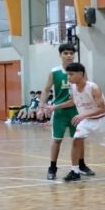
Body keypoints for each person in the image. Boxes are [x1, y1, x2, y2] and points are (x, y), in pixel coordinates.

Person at [50, 63, 105, 182]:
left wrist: (82, 115)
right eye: (68, 74)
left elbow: (101, 108)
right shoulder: (73, 87)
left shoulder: (93, 88)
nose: (68, 77)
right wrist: (55, 107)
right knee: (76, 140)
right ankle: (75, 171)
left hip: (104, 120)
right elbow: (72, 102)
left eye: (71, 74)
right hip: (87, 120)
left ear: (80, 74)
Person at [38, 43, 94, 180]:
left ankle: (81, 165)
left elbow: (87, 87)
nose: (69, 55)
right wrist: (41, 106)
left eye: (71, 53)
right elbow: (46, 90)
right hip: (60, 112)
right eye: (66, 53)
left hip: (77, 111)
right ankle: (52, 168)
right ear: (60, 55)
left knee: (79, 140)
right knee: (57, 140)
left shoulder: (80, 71)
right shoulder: (54, 72)